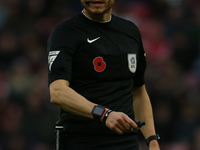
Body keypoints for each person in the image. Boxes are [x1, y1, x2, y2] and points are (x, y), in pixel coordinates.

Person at [47, 0, 161, 149]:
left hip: (127, 144)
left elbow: (138, 92)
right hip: (82, 142)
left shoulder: (130, 31)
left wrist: (152, 141)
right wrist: (104, 114)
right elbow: (58, 92)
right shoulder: (65, 33)